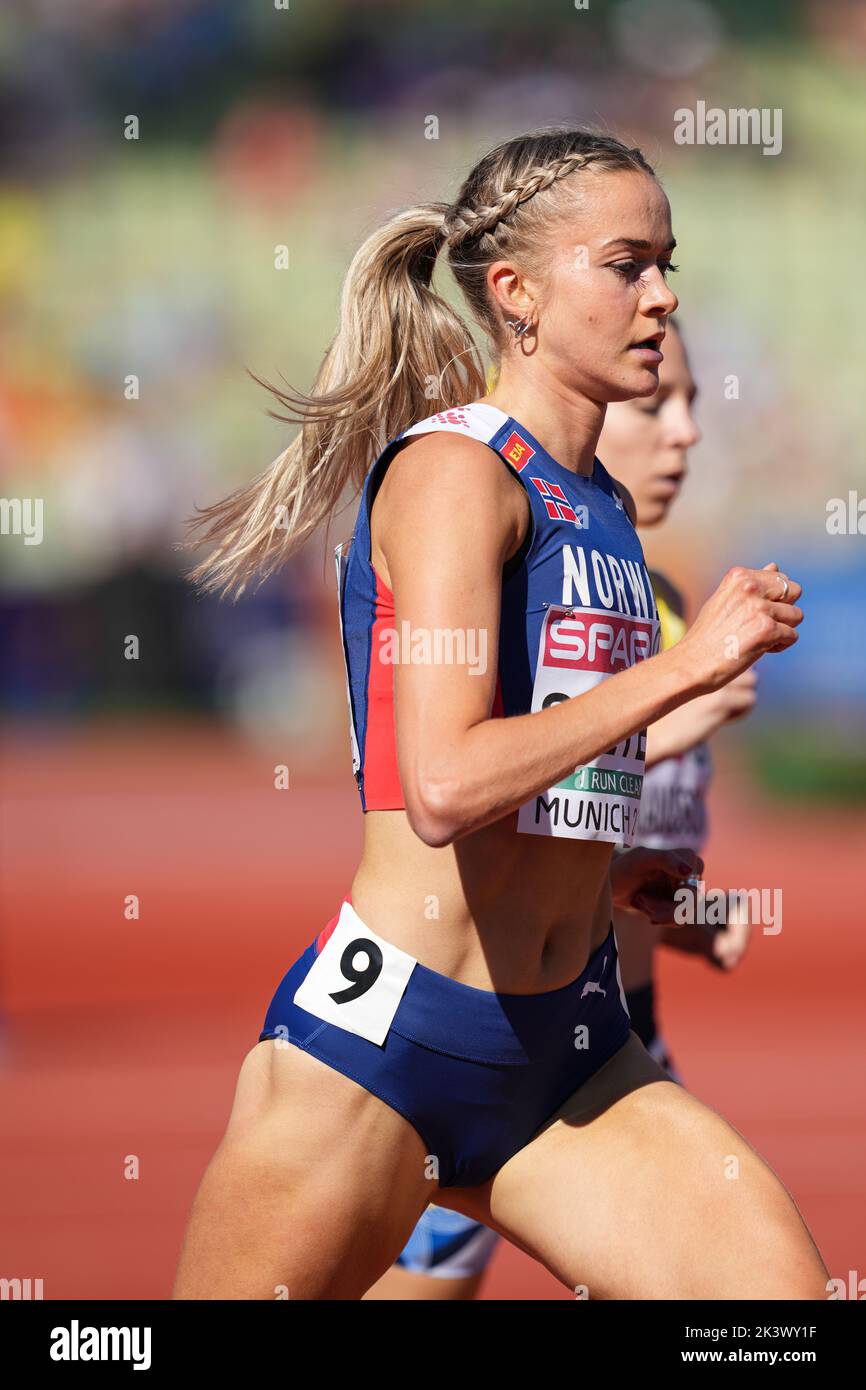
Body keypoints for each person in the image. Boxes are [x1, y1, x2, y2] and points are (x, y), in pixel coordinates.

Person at [173, 127, 823, 1300]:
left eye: (665, 264)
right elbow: (443, 785)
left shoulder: (601, 502)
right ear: (515, 293)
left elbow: (537, 774)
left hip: (570, 1057)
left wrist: (610, 873)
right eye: (624, 265)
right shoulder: (455, 475)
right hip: (385, 1053)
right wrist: (686, 666)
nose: (662, 296)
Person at [366, 319, 757, 1300]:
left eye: (692, 404)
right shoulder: (519, 568)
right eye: (655, 404)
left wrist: (671, 906)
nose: (683, 432)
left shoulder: (659, 604)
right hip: (468, 1025)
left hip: (607, 1031)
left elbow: (577, 849)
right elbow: (449, 791)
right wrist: (671, 700)